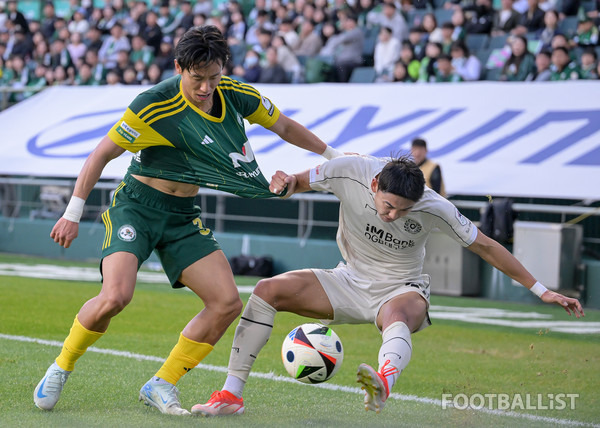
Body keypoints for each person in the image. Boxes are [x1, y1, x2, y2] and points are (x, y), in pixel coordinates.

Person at [33, 25, 340, 416]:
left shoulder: (235, 93)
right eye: (197, 79)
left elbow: (283, 126)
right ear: (180, 68)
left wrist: (332, 155)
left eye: (214, 78)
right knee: (115, 297)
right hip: (137, 208)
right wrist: (72, 214)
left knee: (227, 302)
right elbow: (100, 155)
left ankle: (161, 383)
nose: (206, 88)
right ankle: (61, 367)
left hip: (182, 217)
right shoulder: (154, 105)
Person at [191, 153, 584, 416]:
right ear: (375, 183)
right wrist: (284, 184)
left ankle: (383, 382)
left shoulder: (436, 207)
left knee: (397, 314)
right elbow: (296, 181)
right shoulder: (347, 169)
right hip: (347, 279)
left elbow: (486, 246)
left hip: (401, 286)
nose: (393, 215)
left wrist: (541, 289)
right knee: (265, 291)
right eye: (389, 205)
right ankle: (231, 394)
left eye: (403, 209)